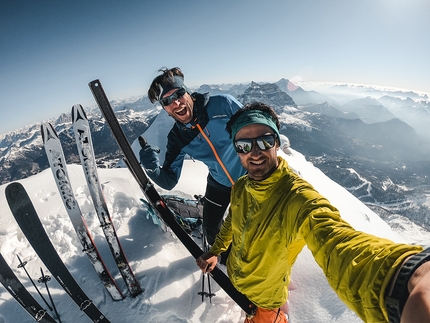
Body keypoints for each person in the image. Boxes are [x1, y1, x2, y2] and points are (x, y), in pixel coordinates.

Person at [196, 101, 430, 323]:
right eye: (244, 145)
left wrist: (403, 276)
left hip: (266, 300)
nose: (255, 152)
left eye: (265, 141)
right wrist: (217, 250)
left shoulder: (297, 197)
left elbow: (337, 242)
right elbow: (231, 223)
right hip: (237, 282)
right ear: (236, 150)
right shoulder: (242, 187)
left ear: (277, 142)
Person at [140, 67, 246, 249]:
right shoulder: (177, 138)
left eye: (179, 94)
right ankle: (224, 260)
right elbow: (169, 181)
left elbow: (256, 126)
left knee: (255, 227)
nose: (176, 103)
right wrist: (152, 169)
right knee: (211, 228)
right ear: (165, 109)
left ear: (188, 93)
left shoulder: (223, 105)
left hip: (250, 176)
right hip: (219, 182)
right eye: (167, 101)